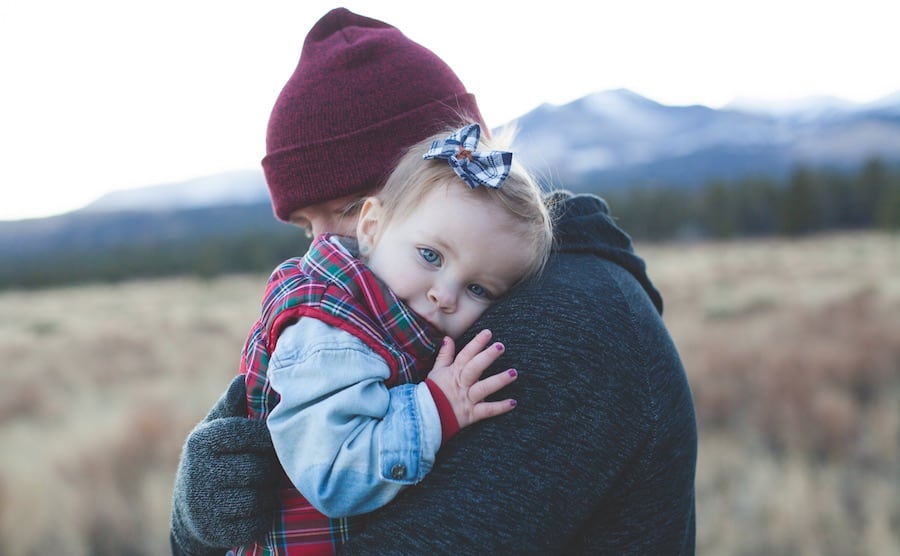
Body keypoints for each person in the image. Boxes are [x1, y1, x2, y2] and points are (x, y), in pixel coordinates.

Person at [170, 7, 697, 556]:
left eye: (349, 208)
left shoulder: (564, 325)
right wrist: (195, 519)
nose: (322, 249)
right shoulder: (394, 315)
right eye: (307, 226)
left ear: (453, 173)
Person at [232, 122, 553, 555]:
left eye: (479, 289)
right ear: (371, 226)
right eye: (431, 256)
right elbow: (333, 475)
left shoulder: (390, 316)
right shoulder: (330, 333)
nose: (445, 294)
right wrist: (436, 407)